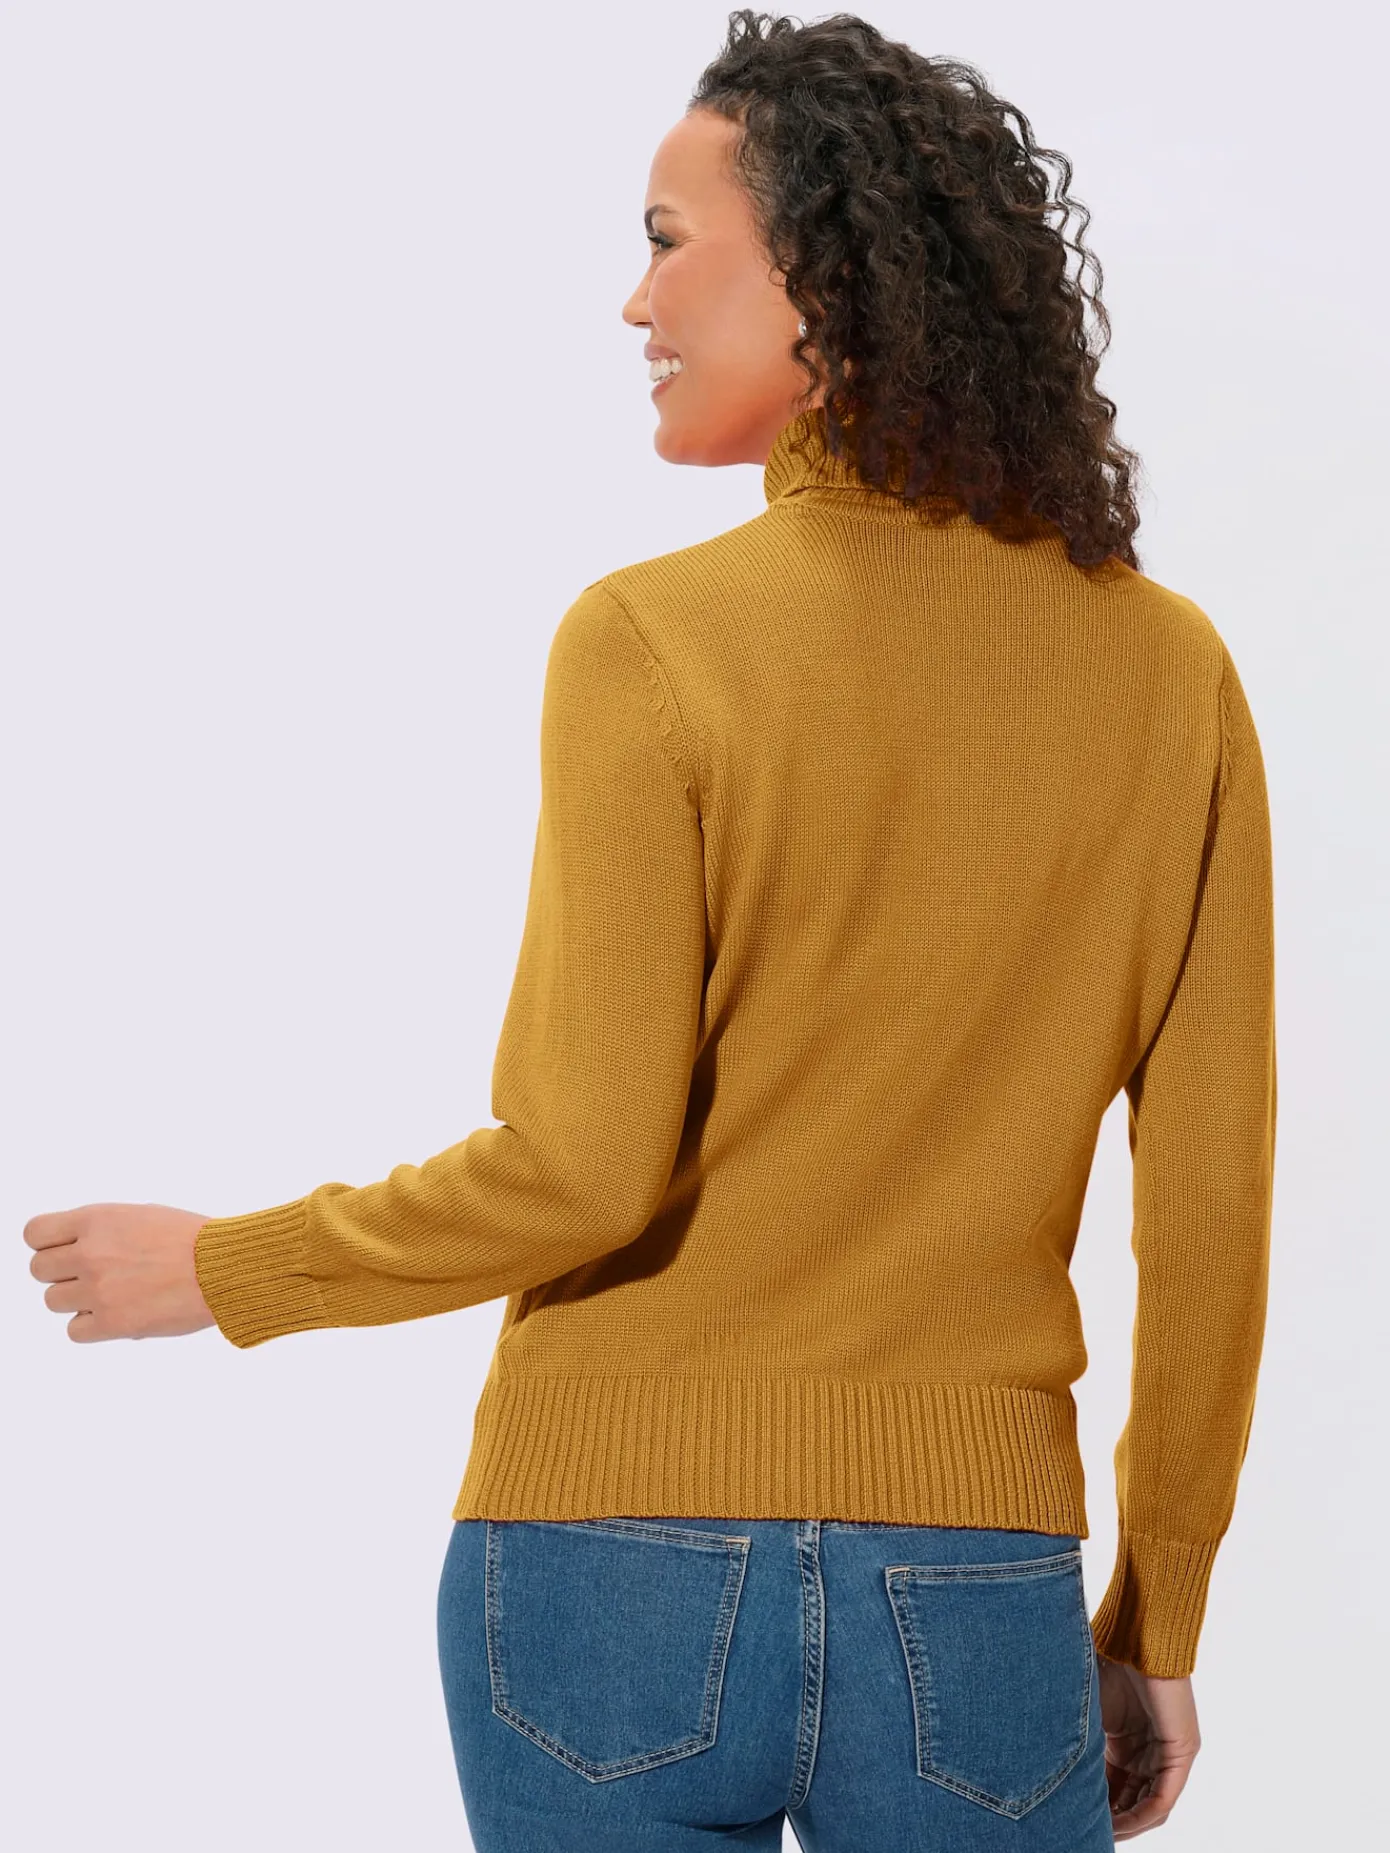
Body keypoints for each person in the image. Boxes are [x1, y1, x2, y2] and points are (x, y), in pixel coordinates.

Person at [23, 10, 1276, 1850]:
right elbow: (1212, 1204)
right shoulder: (1168, 674)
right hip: (972, 1580)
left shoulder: (649, 640)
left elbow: (581, 1167)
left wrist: (232, 1270)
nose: (635, 302)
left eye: (671, 243)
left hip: (603, 1565)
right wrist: (1159, 1611)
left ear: (827, 280)